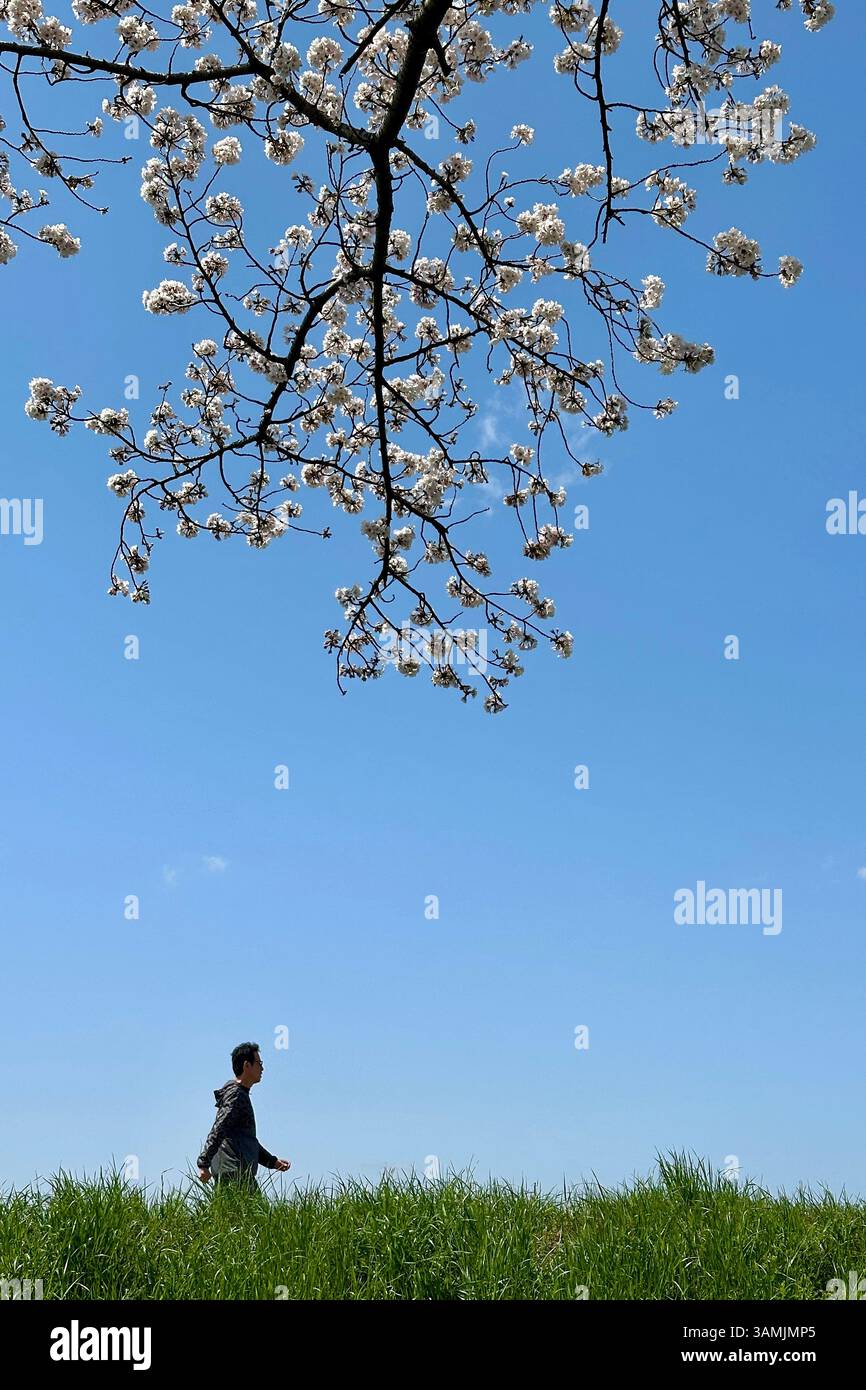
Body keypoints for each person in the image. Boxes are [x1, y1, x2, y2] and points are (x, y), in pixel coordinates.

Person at [197, 1041, 290, 1189]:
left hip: (238, 1171)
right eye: (259, 1063)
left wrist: (272, 1162)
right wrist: (203, 1163)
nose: (262, 1068)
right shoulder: (235, 1095)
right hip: (233, 1171)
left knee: (251, 1212)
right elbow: (219, 1128)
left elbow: (247, 1140)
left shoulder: (240, 1094)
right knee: (254, 1212)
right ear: (247, 1065)